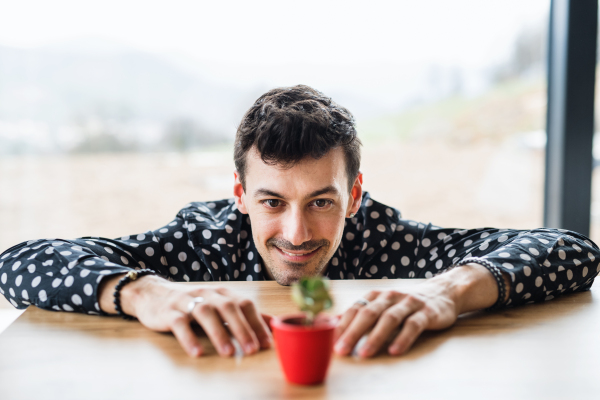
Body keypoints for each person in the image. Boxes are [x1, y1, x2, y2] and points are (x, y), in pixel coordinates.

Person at [1, 85, 598, 359]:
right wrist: (148, 294)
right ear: (238, 194)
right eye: (270, 202)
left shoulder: (383, 240)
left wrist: (446, 292)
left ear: (355, 194)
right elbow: (18, 262)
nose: (296, 233)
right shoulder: (202, 247)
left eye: (321, 201)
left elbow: (570, 249)